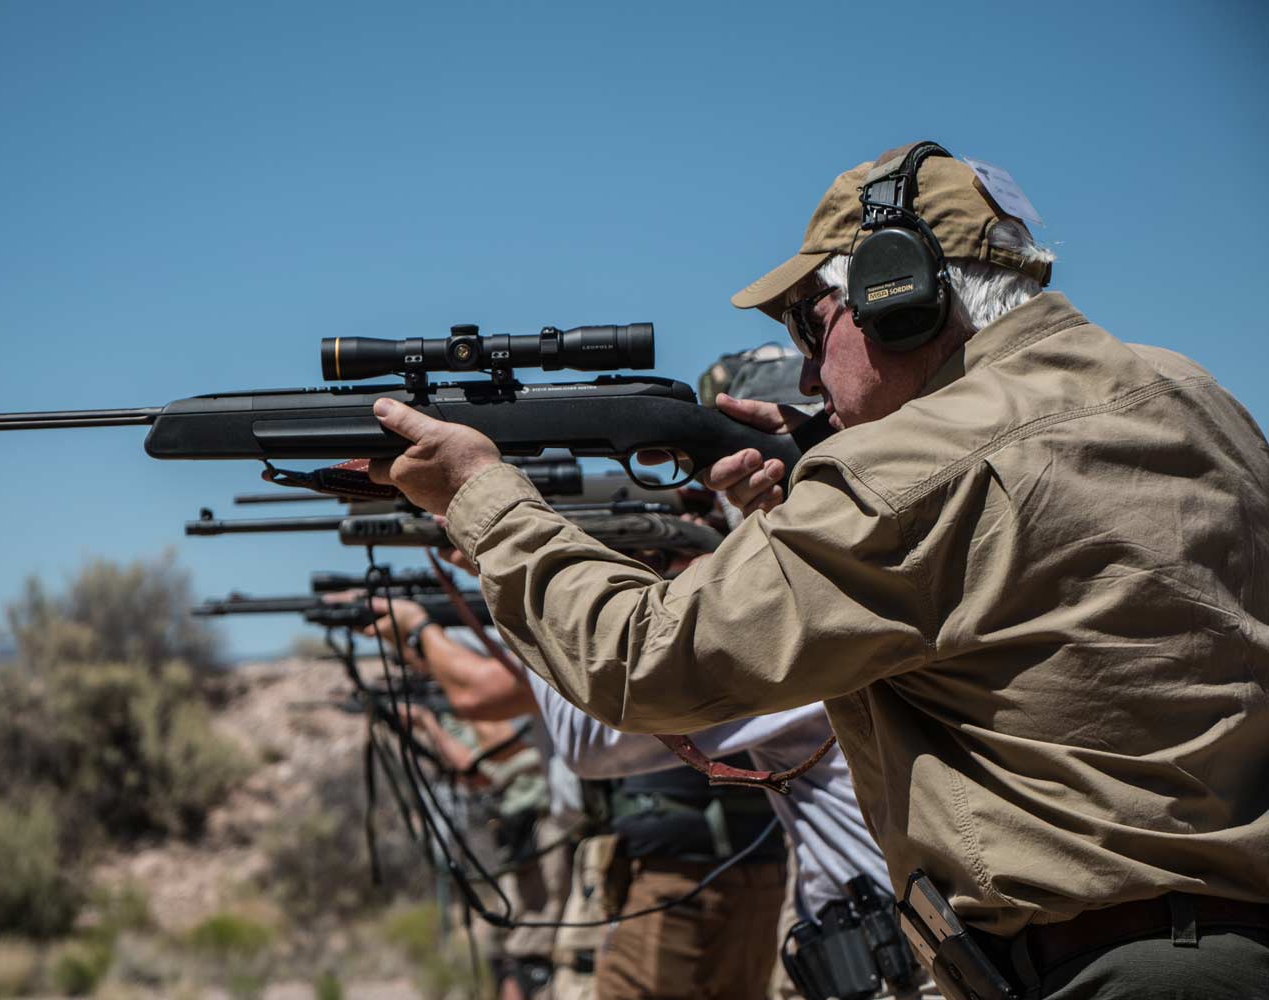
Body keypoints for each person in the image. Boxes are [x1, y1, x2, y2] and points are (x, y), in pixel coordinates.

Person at [362, 142, 1269, 998]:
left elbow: (641, 661)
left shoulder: (913, 469)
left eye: (810, 323)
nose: (803, 375)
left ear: (895, 296)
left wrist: (479, 497)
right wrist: (806, 495)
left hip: (1101, 969)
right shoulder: (1191, 395)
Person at [365, 588, 791, 1000]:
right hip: (720, 859)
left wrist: (421, 630)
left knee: (546, 966)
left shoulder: (657, 631)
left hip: (673, 869)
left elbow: (483, 696)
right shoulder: (721, 616)